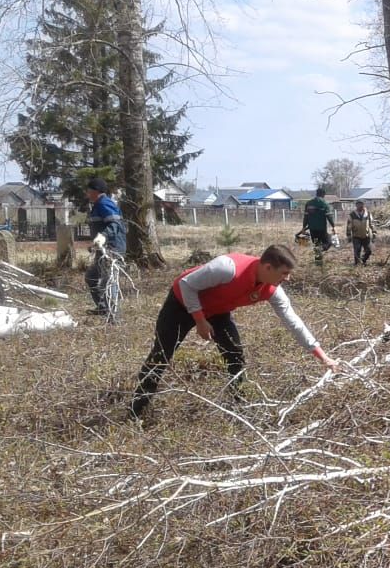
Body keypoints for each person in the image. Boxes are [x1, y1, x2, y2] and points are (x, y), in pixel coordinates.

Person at [128, 245, 340, 419]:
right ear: (267, 267)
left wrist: (323, 356)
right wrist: (200, 320)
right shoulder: (227, 268)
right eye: (284, 273)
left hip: (217, 311)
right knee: (161, 354)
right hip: (182, 304)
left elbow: (293, 322)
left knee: (235, 355)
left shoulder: (272, 289)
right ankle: (135, 410)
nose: (288, 279)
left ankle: (241, 409)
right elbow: (186, 284)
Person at [83, 177, 127, 316]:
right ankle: (103, 308)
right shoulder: (97, 205)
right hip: (102, 249)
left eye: (89, 191)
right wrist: (95, 243)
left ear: (95, 191)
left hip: (112, 249)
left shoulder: (104, 203)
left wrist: (103, 236)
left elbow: (115, 224)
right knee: (91, 277)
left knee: (109, 281)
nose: (87, 194)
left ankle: (113, 315)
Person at [299, 188, 336, 264]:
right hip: (321, 228)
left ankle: (318, 262)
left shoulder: (308, 203)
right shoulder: (324, 204)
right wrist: (333, 226)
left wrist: (303, 227)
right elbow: (329, 217)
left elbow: (305, 217)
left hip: (312, 229)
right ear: (323, 195)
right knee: (329, 241)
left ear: (316, 193)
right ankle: (322, 248)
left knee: (316, 243)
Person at [346, 200, 377, 266]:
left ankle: (363, 260)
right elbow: (349, 226)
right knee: (357, 251)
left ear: (363, 205)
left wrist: (374, 233)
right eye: (359, 204)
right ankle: (357, 264)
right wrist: (349, 235)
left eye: (361, 204)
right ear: (356, 205)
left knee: (369, 251)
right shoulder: (352, 215)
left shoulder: (368, 214)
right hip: (356, 236)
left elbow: (372, 224)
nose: (360, 206)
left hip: (366, 236)